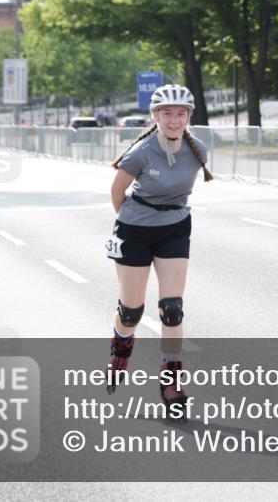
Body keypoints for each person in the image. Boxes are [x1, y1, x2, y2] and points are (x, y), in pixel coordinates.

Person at [104, 84, 213, 414]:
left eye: (181, 114)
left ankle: (171, 382)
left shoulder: (198, 150)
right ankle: (121, 349)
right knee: (131, 311)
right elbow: (117, 194)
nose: (174, 120)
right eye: (167, 113)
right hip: (134, 230)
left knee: (172, 309)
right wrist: (134, 221)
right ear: (155, 116)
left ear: (189, 117)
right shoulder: (140, 152)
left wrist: (164, 215)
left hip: (175, 228)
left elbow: (182, 189)